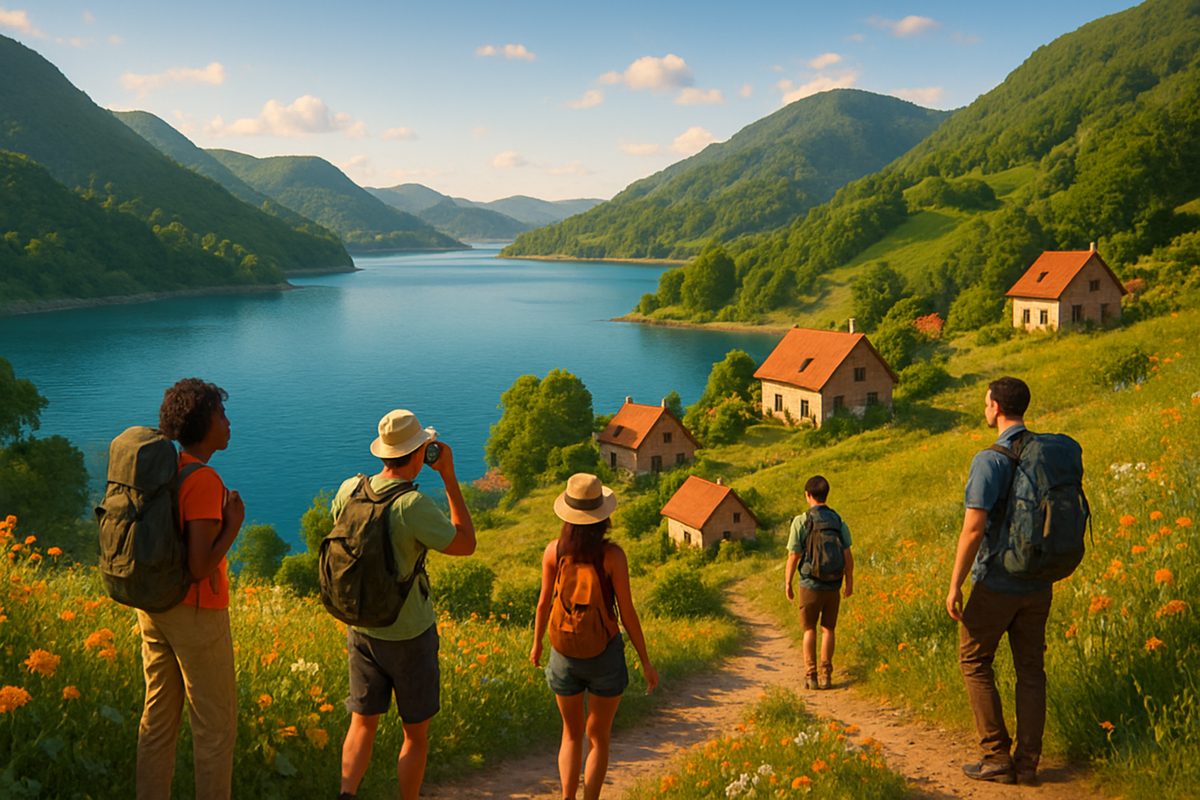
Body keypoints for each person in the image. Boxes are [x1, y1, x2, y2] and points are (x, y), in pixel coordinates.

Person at [336, 409, 475, 800]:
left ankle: (347, 794)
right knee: (415, 734)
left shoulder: (350, 489)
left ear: (383, 452)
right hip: (409, 630)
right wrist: (448, 477)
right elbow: (465, 543)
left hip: (362, 626)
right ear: (419, 453)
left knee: (361, 723)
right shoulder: (411, 505)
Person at [137, 378, 245, 800]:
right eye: (221, 415)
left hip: (155, 606)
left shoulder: (167, 471)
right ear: (205, 424)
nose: (228, 422)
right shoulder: (202, 479)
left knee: (158, 721)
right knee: (215, 728)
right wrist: (233, 526)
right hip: (196, 613)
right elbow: (200, 565)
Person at [946, 377, 1051, 786]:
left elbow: (974, 529)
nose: (985, 408)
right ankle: (1027, 764)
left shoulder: (990, 459)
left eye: (985, 402)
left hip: (998, 580)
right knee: (1031, 669)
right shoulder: (1043, 452)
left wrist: (955, 585)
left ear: (995, 408)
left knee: (974, 659)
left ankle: (995, 757)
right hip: (1040, 581)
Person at [531, 473, 659, 800]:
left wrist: (537, 644)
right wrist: (645, 661)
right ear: (603, 518)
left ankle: (567, 798)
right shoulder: (613, 556)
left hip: (563, 653)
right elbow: (627, 613)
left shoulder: (554, 551)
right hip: (604, 655)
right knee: (598, 737)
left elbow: (544, 603)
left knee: (571, 735)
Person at [784, 475, 854, 690]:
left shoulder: (801, 521)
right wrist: (849, 581)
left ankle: (811, 675)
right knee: (828, 629)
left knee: (809, 630)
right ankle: (827, 676)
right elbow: (847, 554)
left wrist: (788, 582)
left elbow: (794, 556)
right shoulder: (838, 520)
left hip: (809, 583)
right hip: (834, 583)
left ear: (808, 495)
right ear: (826, 494)